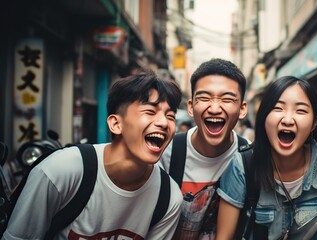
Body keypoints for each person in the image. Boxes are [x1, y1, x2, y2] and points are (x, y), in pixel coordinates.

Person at [3, 70, 183, 239]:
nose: (164, 122)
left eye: (170, 116)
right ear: (115, 124)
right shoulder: (60, 171)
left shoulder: (168, 198)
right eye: (150, 112)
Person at [217, 76, 317, 240]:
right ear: (264, 117)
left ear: (314, 123)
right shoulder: (242, 166)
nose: (287, 120)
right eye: (278, 109)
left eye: (300, 111)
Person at [158, 58, 248, 239]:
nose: (214, 108)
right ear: (191, 107)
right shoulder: (166, 153)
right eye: (204, 98)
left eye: (227, 99)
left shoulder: (250, 157)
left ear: (242, 109)